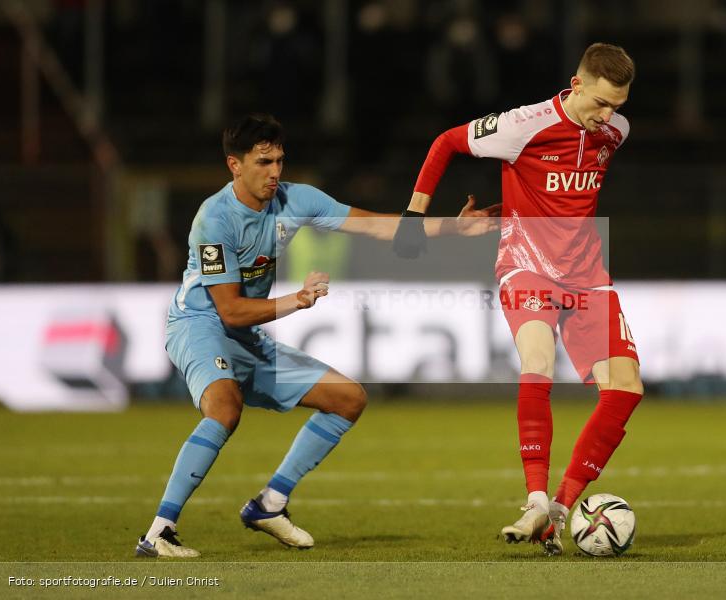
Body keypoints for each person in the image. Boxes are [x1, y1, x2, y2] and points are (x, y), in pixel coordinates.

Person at [136, 113, 499, 558]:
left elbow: (372, 224)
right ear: (234, 165)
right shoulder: (214, 220)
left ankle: (270, 504)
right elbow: (228, 310)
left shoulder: (295, 198)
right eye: (263, 162)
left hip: (246, 334)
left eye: (280, 161)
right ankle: (159, 533)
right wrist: (298, 300)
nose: (275, 173)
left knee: (347, 398)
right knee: (225, 407)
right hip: (199, 324)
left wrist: (451, 227)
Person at [394, 43, 643, 556]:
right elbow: (445, 142)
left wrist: (497, 208)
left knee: (625, 388)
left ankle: (558, 507)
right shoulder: (522, 125)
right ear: (576, 85)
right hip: (526, 265)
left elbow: (559, 197)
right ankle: (533, 499)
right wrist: (416, 218)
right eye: (600, 102)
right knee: (538, 361)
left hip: (587, 275)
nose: (607, 116)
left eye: (616, 106)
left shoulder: (614, 133)